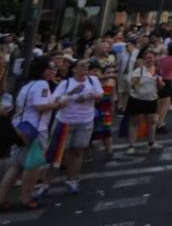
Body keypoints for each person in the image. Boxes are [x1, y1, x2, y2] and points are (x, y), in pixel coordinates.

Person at [0, 57, 60, 210]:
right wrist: (58, 104)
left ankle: (2, 198)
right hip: (35, 129)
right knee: (32, 166)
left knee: (16, 166)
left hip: (20, 126)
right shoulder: (42, 84)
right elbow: (40, 106)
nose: (53, 71)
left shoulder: (26, 85)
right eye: (50, 68)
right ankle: (26, 198)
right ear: (42, 70)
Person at [50, 58, 102, 193]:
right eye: (82, 65)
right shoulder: (66, 83)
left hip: (85, 121)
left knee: (78, 150)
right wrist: (71, 93)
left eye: (86, 65)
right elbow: (56, 99)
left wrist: (88, 97)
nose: (86, 66)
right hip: (65, 122)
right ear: (74, 69)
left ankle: (72, 179)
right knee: (57, 153)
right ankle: (45, 184)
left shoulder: (93, 80)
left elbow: (99, 95)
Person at [126, 49, 161, 154]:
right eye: (147, 57)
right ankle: (131, 146)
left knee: (152, 122)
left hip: (151, 99)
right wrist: (135, 82)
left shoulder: (157, 70)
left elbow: (161, 86)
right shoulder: (139, 71)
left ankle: (151, 143)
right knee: (134, 122)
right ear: (144, 59)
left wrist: (160, 83)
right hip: (137, 99)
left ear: (154, 59)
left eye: (151, 57)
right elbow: (132, 85)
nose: (149, 59)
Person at [155, 41, 172, 132]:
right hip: (168, 81)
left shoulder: (161, 59)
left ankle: (156, 121)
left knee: (158, 103)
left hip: (160, 80)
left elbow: (157, 69)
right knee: (165, 104)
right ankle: (160, 123)